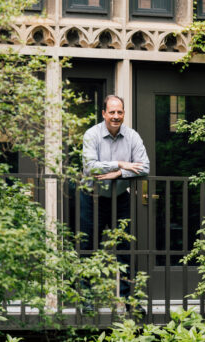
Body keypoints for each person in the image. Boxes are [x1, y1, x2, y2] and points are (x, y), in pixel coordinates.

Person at [80, 94, 149, 311]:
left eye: (120, 112)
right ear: (103, 114)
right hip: (92, 198)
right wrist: (119, 163)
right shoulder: (91, 135)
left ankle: (130, 302)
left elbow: (144, 167)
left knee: (125, 248)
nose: (116, 116)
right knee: (88, 247)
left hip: (120, 198)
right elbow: (90, 167)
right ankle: (87, 300)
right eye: (112, 112)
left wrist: (118, 173)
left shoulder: (132, 136)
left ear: (124, 113)